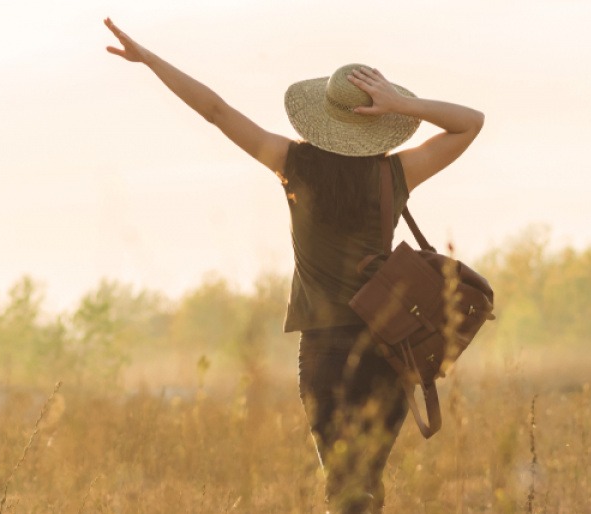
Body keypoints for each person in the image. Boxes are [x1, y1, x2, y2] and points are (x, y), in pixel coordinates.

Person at [104, 18, 483, 514]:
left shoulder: (293, 166)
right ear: (377, 122)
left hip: (323, 350)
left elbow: (216, 111)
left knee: (344, 490)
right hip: (388, 346)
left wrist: (151, 60)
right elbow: (470, 121)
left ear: (322, 118)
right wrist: (401, 104)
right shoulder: (397, 172)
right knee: (366, 486)